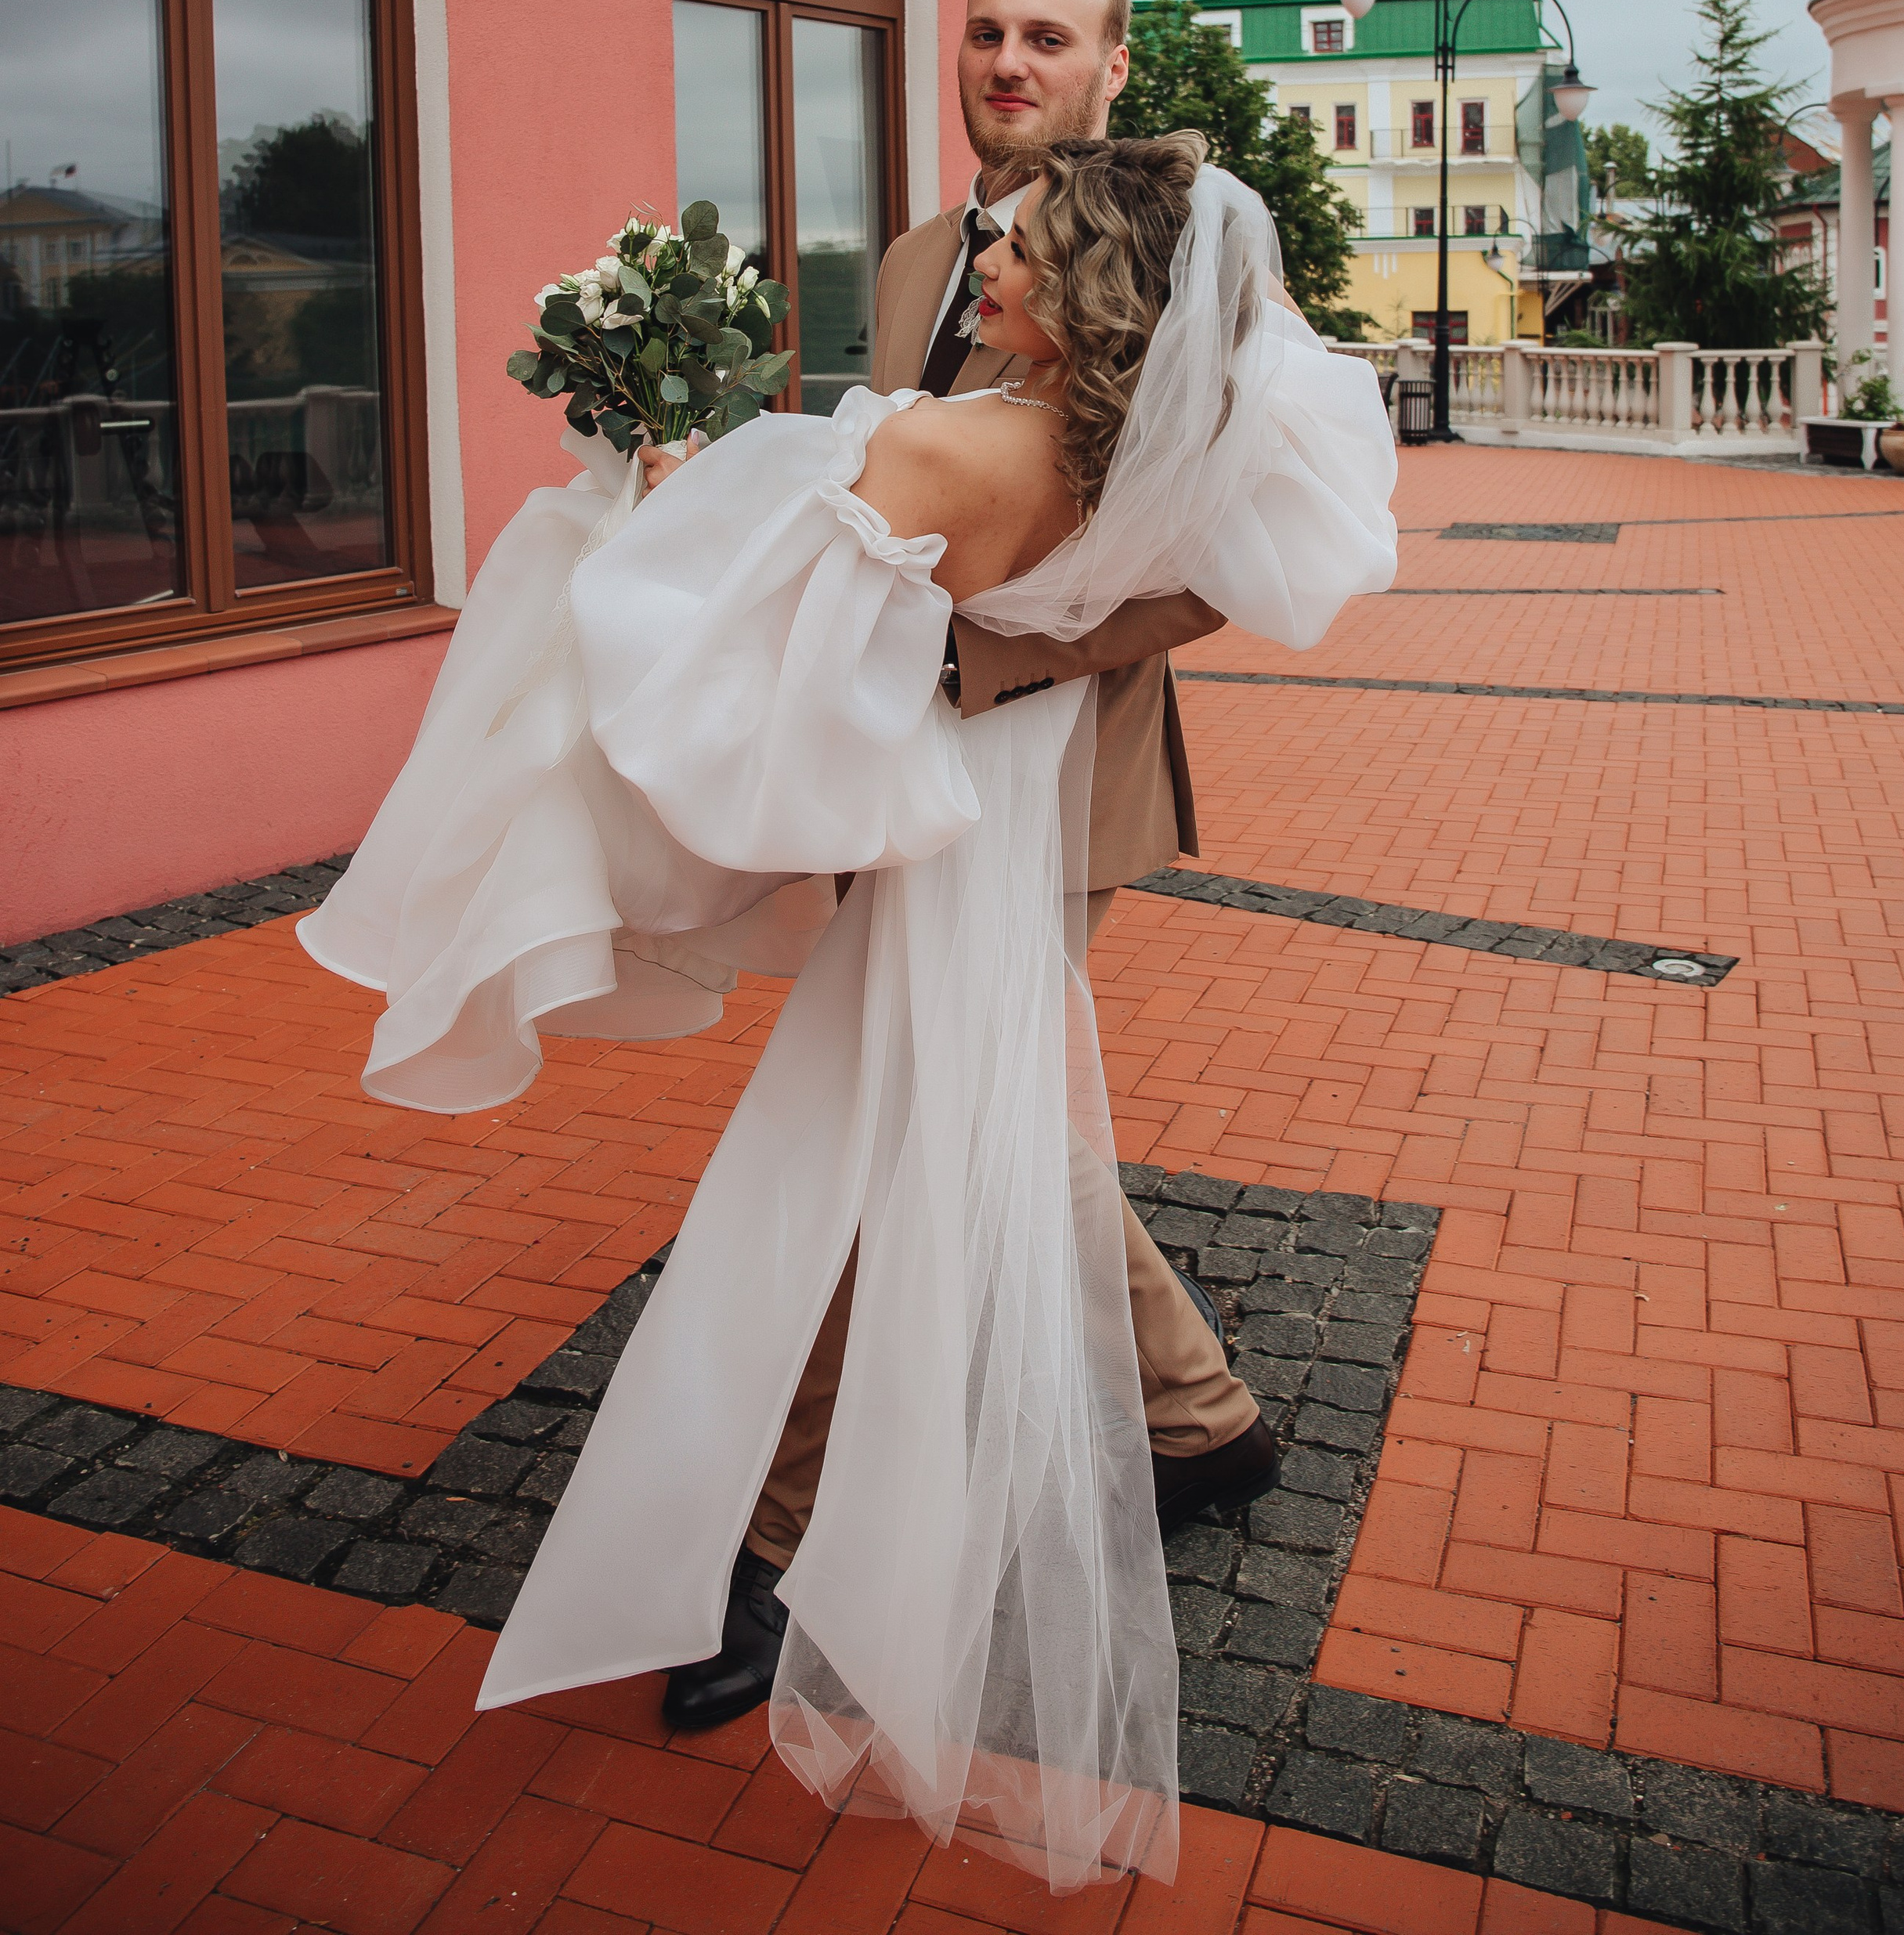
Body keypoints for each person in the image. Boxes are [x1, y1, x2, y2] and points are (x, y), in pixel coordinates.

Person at [301, 131, 1397, 1892]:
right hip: (992, 816)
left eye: (1027, 247)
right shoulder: (1167, 443)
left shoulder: (935, 441)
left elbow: (738, 674)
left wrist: (654, 513)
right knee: (944, 1135)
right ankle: (1156, 1430)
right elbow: (1229, 553)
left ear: (1087, 284)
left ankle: (787, 1535)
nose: (998, 258)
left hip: (943, 827)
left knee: (860, 1159)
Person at [677, 0, 1270, 1742]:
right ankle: (1194, 1417)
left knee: (903, 1128)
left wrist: (970, 653)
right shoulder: (927, 258)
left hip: (1047, 785)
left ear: (1107, 65)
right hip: (898, 767)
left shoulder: (1185, 239)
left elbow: (1219, 560)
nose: (1008, 58)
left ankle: (780, 1543)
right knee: (990, 1108)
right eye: (987, 29)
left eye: (1049, 36)